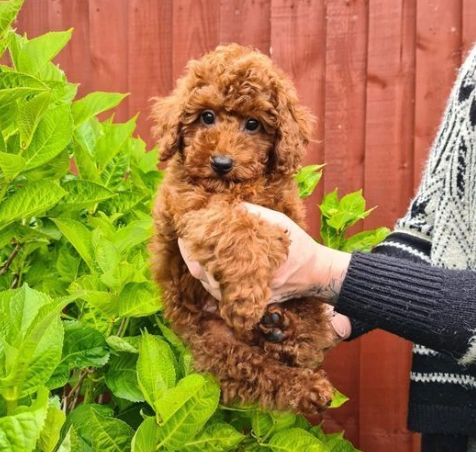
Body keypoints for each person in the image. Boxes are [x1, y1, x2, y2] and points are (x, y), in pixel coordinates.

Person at [179, 45, 476, 452]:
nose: (225, 145)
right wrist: (330, 311)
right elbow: (429, 232)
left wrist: (324, 271)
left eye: (251, 124)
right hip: (454, 414)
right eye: (208, 118)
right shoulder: (474, 74)